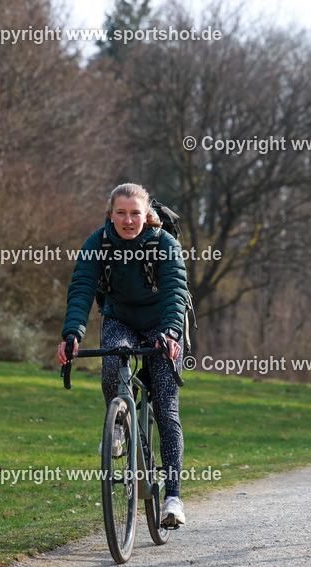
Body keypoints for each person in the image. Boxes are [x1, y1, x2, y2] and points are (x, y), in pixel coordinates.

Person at [57, 183, 189, 526]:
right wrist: (72, 334)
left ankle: (172, 497)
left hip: (162, 323)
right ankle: (118, 427)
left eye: (135, 213)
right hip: (120, 318)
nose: (128, 220)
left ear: (146, 215)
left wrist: (172, 332)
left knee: (164, 403)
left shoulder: (164, 243)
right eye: (121, 213)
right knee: (112, 363)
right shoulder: (97, 243)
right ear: (110, 214)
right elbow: (82, 287)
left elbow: (175, 290)